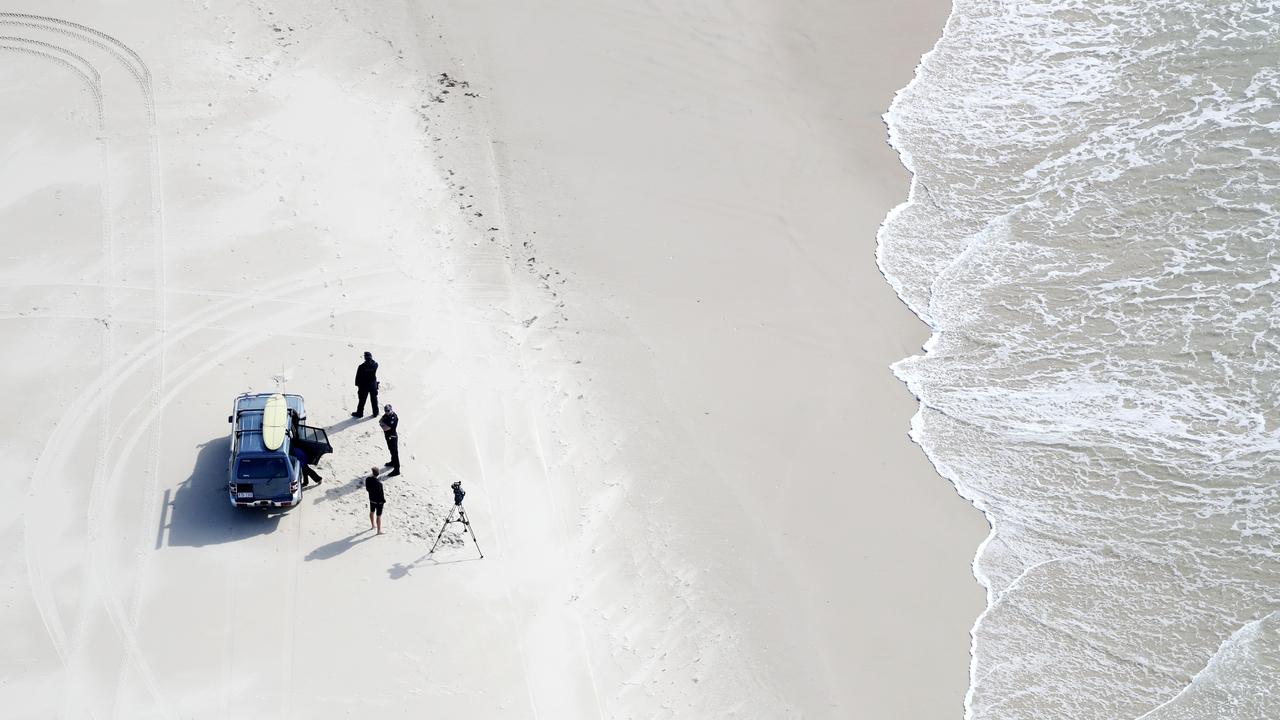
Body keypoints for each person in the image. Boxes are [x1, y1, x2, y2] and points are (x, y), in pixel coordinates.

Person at [351, 351, 379, 418]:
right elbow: (375, 363)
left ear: (365, 358)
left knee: (362, 400)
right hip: (373, 385)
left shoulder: (361, 367)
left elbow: (358, 377)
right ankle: (375, 412)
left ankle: (359, 413)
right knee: (374, 399)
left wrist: (357, 385)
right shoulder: (375, 365)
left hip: (364, 386)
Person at [363, 466, 385, 534]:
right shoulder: (379, 484)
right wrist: (383, 501)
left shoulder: (368, 479)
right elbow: (381, 494)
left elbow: (367, 489)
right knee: (378, 516)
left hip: (371, 499)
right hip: (379, 502)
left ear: (372, 473)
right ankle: (379, 531)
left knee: (372, 512)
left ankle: (373, 526)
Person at [379, 404, 400, 476]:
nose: (386, 412)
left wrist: (383, 425)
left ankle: (397, 470)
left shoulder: (393, 417)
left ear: (391, 410)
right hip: (387, 436)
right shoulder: (385, 416)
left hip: (393, 436)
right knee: (390, 449)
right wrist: (383, 425)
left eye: (388, 410)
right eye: (385, 411)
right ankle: (393, 462)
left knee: (395, 453)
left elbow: (386, 428)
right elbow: (380, 421)